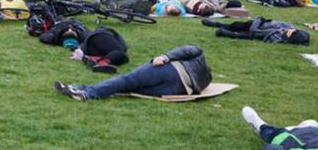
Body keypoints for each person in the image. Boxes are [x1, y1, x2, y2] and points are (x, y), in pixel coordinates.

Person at [54, 45, 211, 100]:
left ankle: (83, 92)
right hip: (181, 88)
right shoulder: (206, 77)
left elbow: (190, 48)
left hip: (171, 73)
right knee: (128, 87)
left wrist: (165, 57)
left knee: (127, 82)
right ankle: (80, 89)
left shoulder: (199, 58)